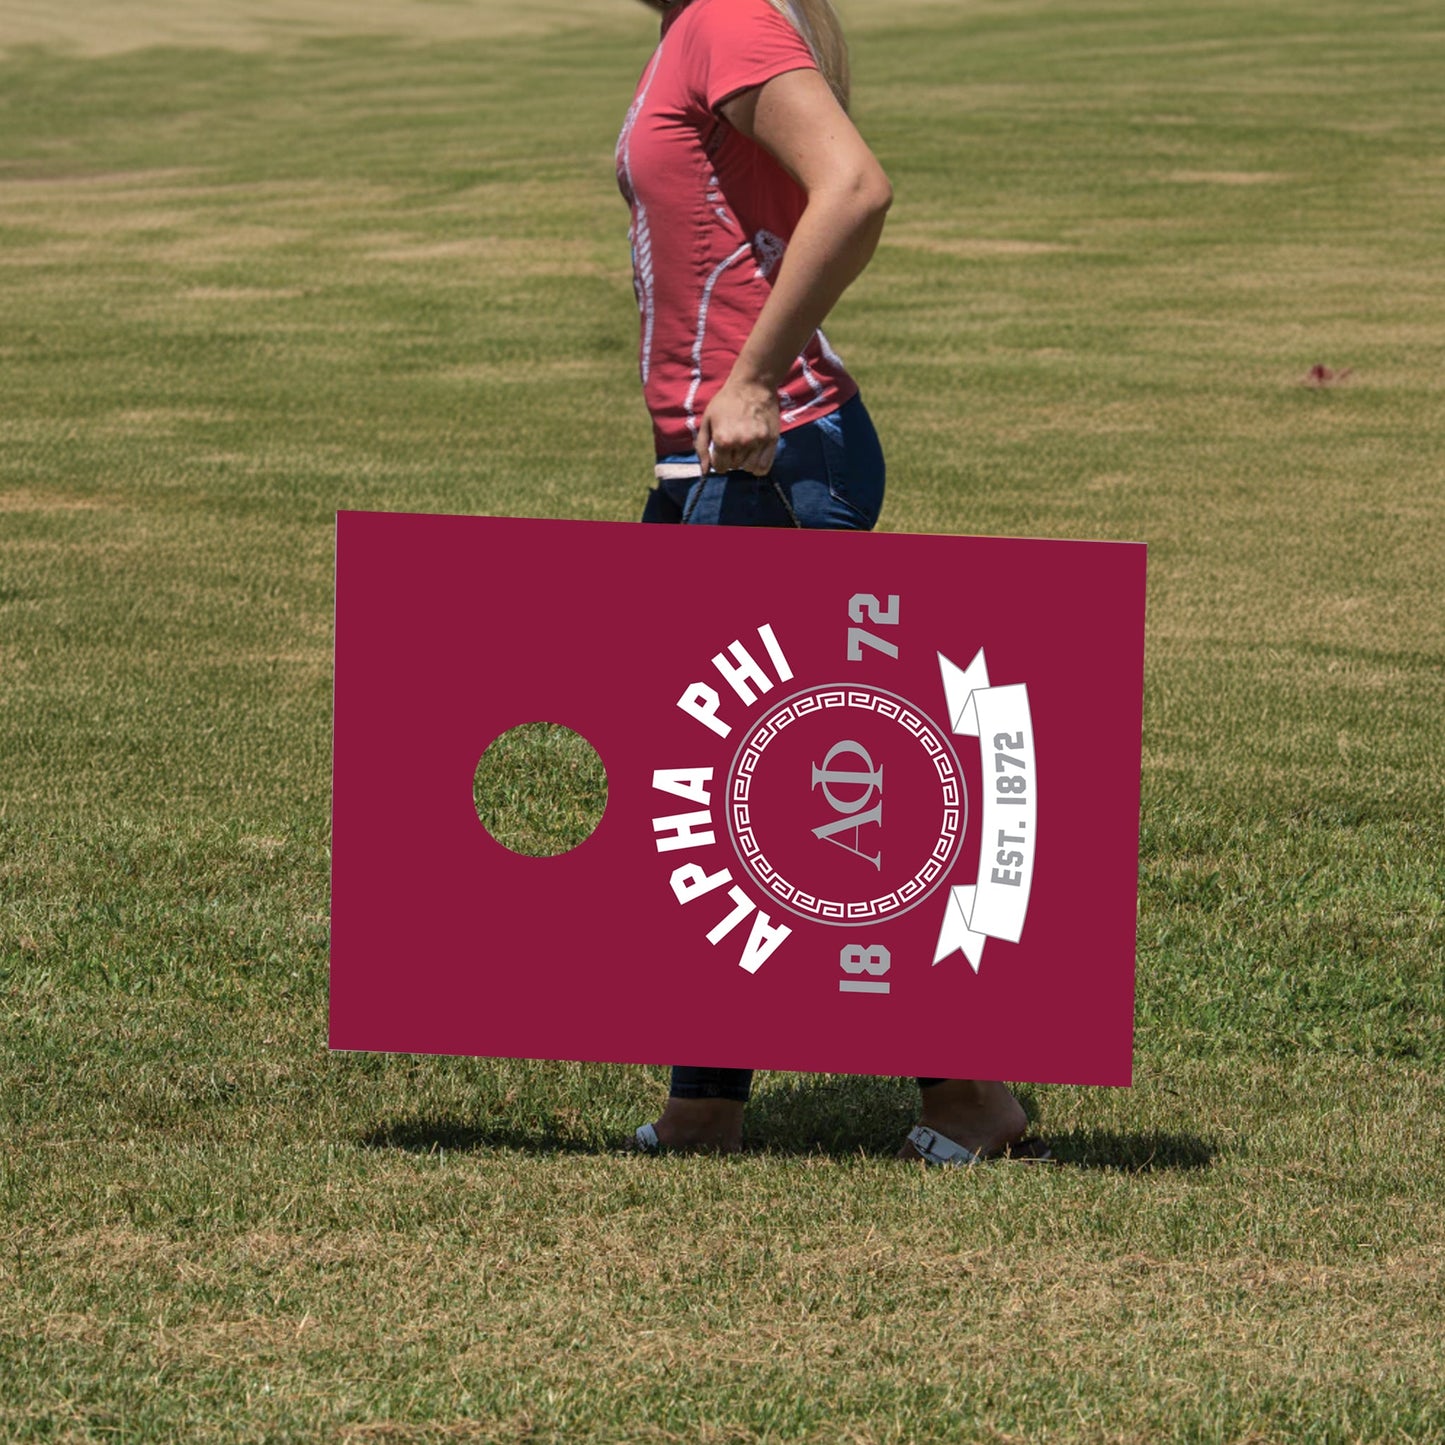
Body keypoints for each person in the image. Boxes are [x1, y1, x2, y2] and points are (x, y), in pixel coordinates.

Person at [619, 0, 1049, 1165]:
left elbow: (854, 188)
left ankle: (969, 1091)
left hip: (768, 458)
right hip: (717, 460)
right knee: (714, 792)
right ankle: (704, 1106)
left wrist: (751, 377)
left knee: (804, 791)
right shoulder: (690, 28)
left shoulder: (722, 18)